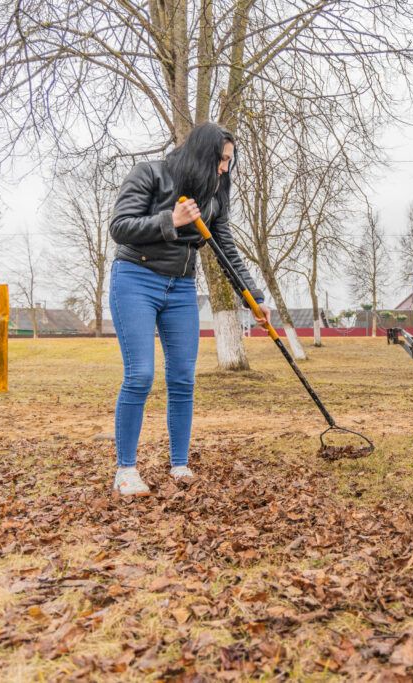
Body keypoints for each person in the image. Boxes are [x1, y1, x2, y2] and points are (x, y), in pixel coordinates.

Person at [108, 122, 270, 497]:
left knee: (183, 378)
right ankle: (126, 470)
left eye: (229, 161)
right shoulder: (149, 173)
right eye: (222, 159)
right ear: (201, 154)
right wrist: (171, 220)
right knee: (140, 375)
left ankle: (179, 465)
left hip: (181, 287)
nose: (225, 168)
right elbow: (120, 226)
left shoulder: (213, 196)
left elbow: (225, 247)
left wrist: (252, 296)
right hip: (135, 279)